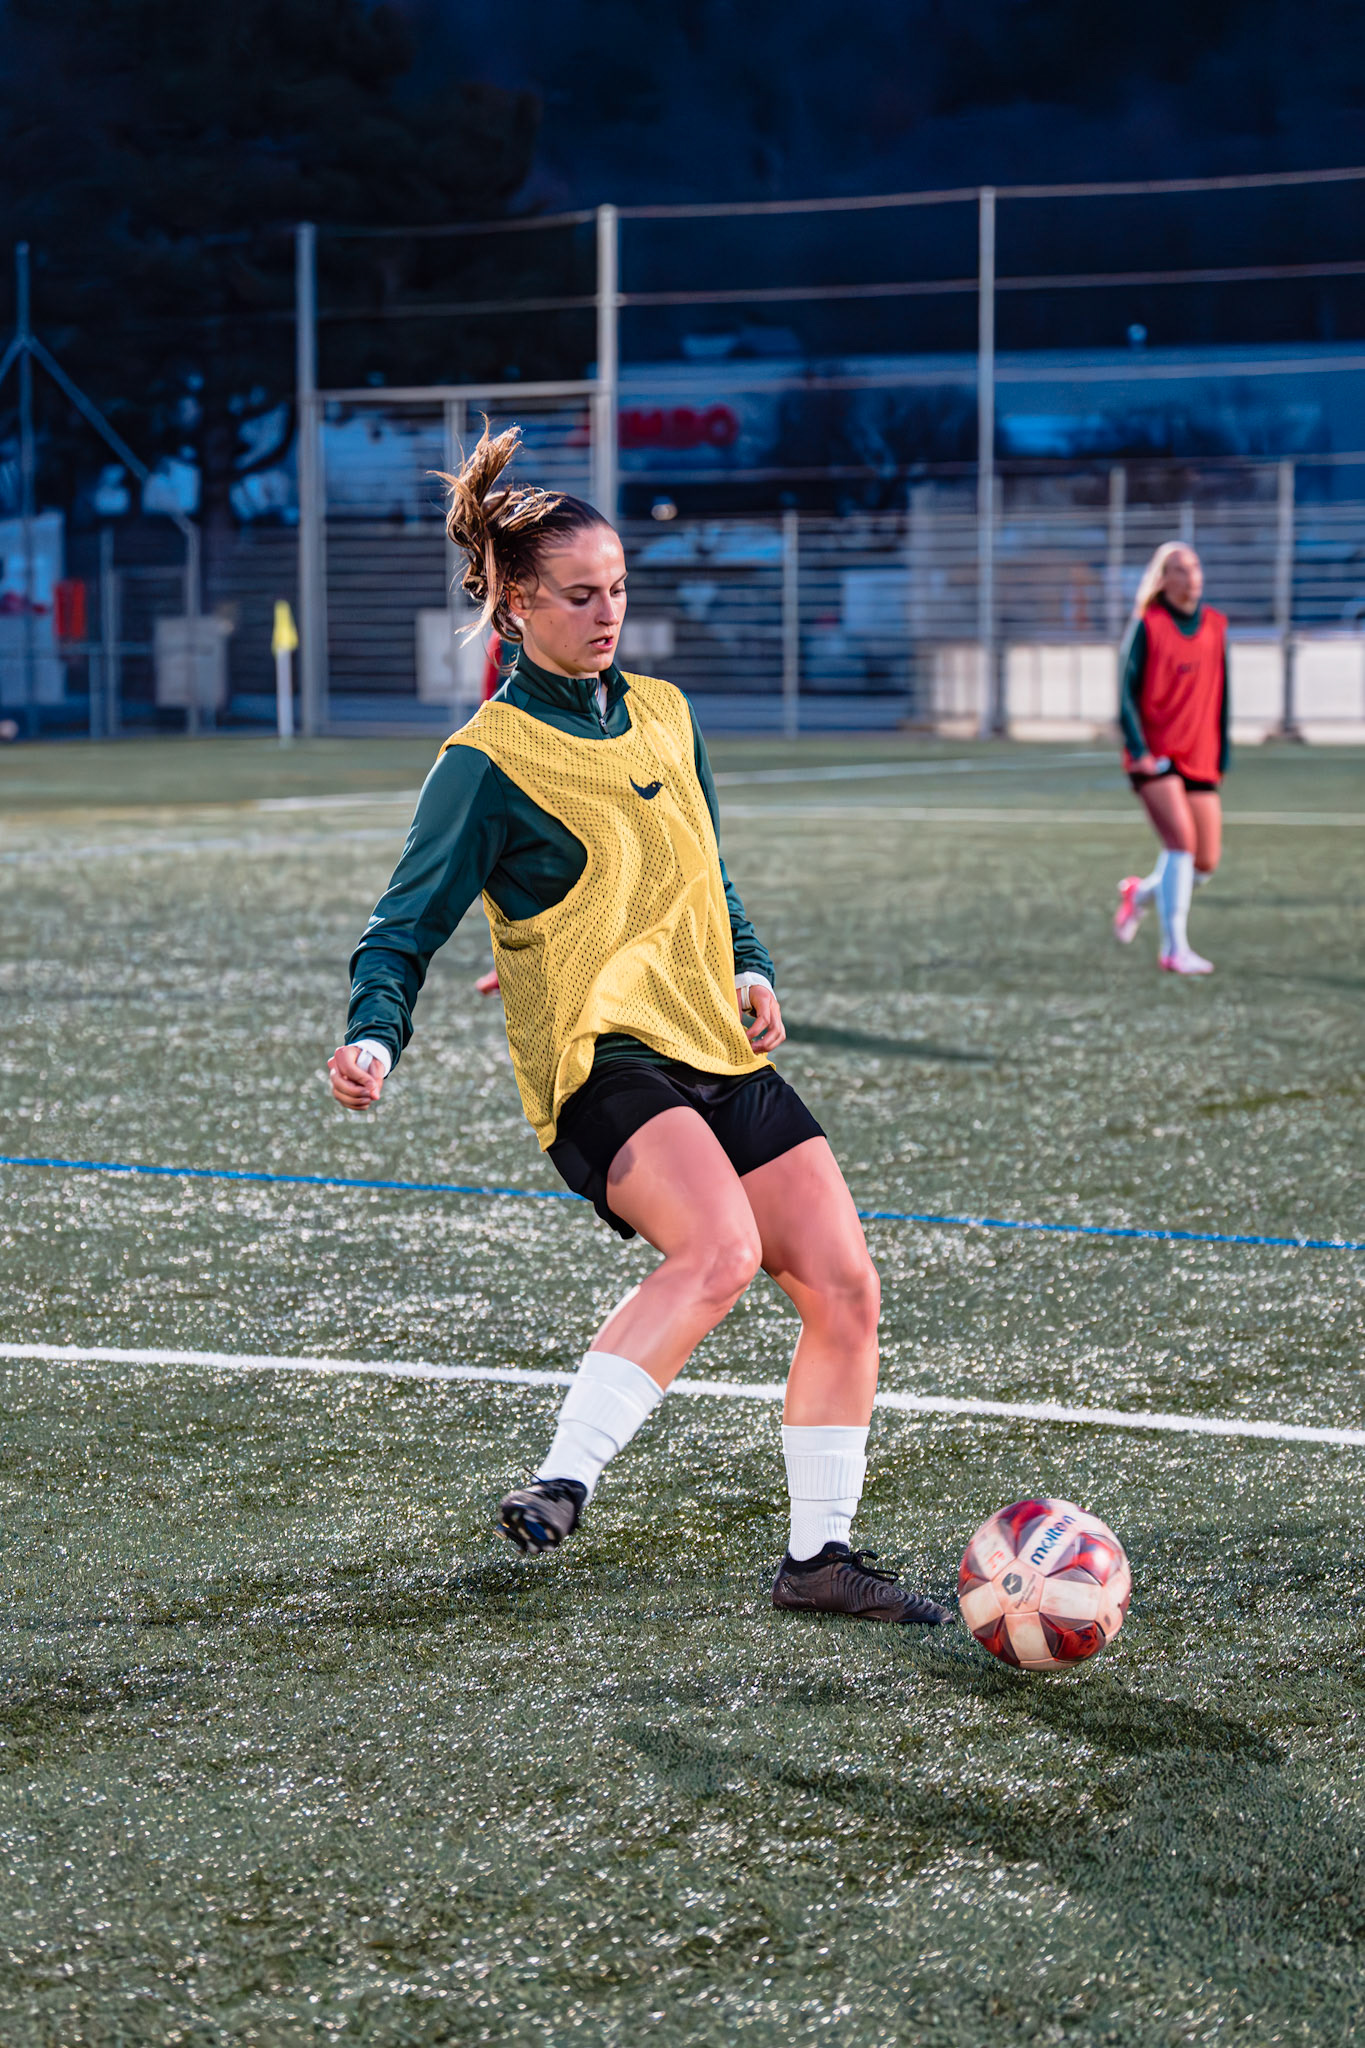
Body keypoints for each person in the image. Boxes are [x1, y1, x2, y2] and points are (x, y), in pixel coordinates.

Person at [328, 423, 947, 1627]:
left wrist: (752, 964)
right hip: (600, 1064)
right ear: (513, 602)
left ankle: (820, 1560)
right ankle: (563, 1479)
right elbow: (401, 928)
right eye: (578, 594)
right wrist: (374, 1034)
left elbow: (708, 873)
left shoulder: (665, 710)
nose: (605, 613)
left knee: (845, 1287)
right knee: (715, 1248)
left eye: (617, 589)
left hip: (712, 1044)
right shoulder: (485, 760)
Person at [1113, 540, 1229, 975]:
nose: (1190, 575)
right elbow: (1123, 693)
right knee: (1179, 845)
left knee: (1204, 863)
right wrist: (1139, 751)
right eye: (1180, 568)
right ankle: (1174, 950)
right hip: (1155, 756)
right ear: (1163, 579)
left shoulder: (1216, 625)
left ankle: (1138, 895)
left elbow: (1224, 695)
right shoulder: (1149, 624)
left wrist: (1223, 755)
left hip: (1200, 753)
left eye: (1195, 565)